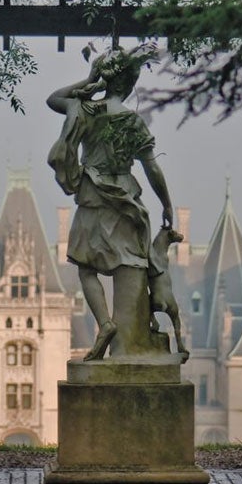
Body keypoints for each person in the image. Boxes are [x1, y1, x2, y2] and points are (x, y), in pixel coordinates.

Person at [47, 45, 173, 361]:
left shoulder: (86, 111)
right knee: (127, 266)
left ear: (107, 81)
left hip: (92, 193)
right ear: (129, 85)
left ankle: (105, 322)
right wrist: (166, 203)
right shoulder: (132, 121)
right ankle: (130, 339)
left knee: (85, 266)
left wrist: (90, 80)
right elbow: (151, 167)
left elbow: (54, 99)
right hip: (125, 196)